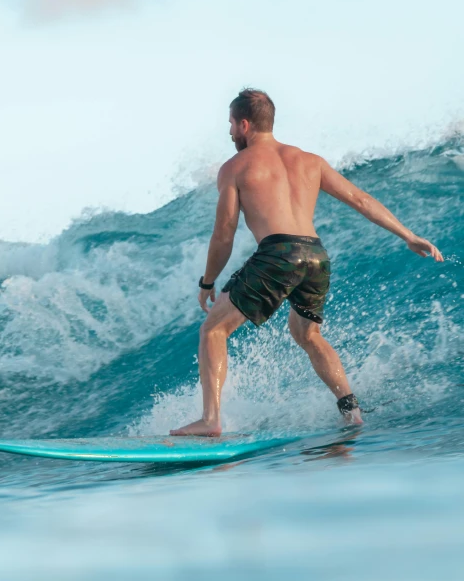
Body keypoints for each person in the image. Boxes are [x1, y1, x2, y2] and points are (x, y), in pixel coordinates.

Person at [170, 88, 444, 437]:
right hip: (316, 255)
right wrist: (407, 234)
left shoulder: (236, 167)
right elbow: (360, 199)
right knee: (308, 333)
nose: (229, 133)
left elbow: (224, 233)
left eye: (230, 125)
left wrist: (207, 282)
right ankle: (351, 411)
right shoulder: (310, 161)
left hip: (278, 253)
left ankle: (210, 420)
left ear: (244, 124)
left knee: (213, 329)